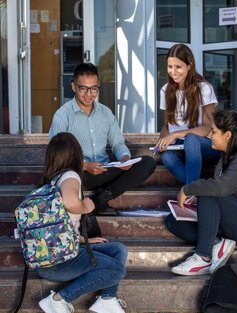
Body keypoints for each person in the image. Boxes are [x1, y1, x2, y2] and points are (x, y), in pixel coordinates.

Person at [166, 109, 237, 275]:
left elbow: (220, 188)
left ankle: (203, 257)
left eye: (214, 132)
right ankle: (218, 242)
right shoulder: (227, 155)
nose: (210, 136)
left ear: (227, 136)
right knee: (174, 221)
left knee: (210, 192)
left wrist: (188, 189)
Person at [36, 132, 127, 313]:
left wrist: (83, 240)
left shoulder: (51, 181)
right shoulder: (70, 176)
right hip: (59, 263)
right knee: (117, 270)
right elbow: (71, 204)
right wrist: (86, 206)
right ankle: (58, 299)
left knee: (118, 249)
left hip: (50, 256)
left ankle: (107, 299)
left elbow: (56, 227)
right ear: (75, 154)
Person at [49, 62, 156, 215]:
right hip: (79, 174)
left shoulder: (106, 113)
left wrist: (125, 158)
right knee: (70, 176)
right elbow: (57, 156)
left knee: (147, 163)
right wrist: (85, 165)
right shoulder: (62, 115)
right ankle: (96, 201)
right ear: (73, 87)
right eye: (83, 88)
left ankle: (101, 198)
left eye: (94, 89)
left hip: (105, 170)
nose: (89, 94)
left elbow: (118, 143)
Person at [156, 43, 220, 184]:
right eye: (170, 66)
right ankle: (196, 189)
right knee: (167, 157)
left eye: (178, 67)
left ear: (189, 65)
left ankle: (191, 190)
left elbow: (208, 128)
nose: (173, 72)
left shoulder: (203, 88)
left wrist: (177, 134)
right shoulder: (165, 90)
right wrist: (163, 140)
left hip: (203, 147)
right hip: (179, 147)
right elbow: (167, 126)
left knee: (191, 139)